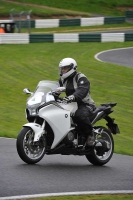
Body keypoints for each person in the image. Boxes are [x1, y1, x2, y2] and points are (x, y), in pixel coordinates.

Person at [57, 57, 96, 146]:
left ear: (72, 68)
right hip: (71, 104)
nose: (63, 70)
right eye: (62, 68)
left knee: (79, 115)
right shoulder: (62, 80)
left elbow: (82, 90)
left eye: (65, 68)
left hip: (85, 104)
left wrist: (73, 96)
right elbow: (56, 90)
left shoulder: (80, 77)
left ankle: (90, 134)